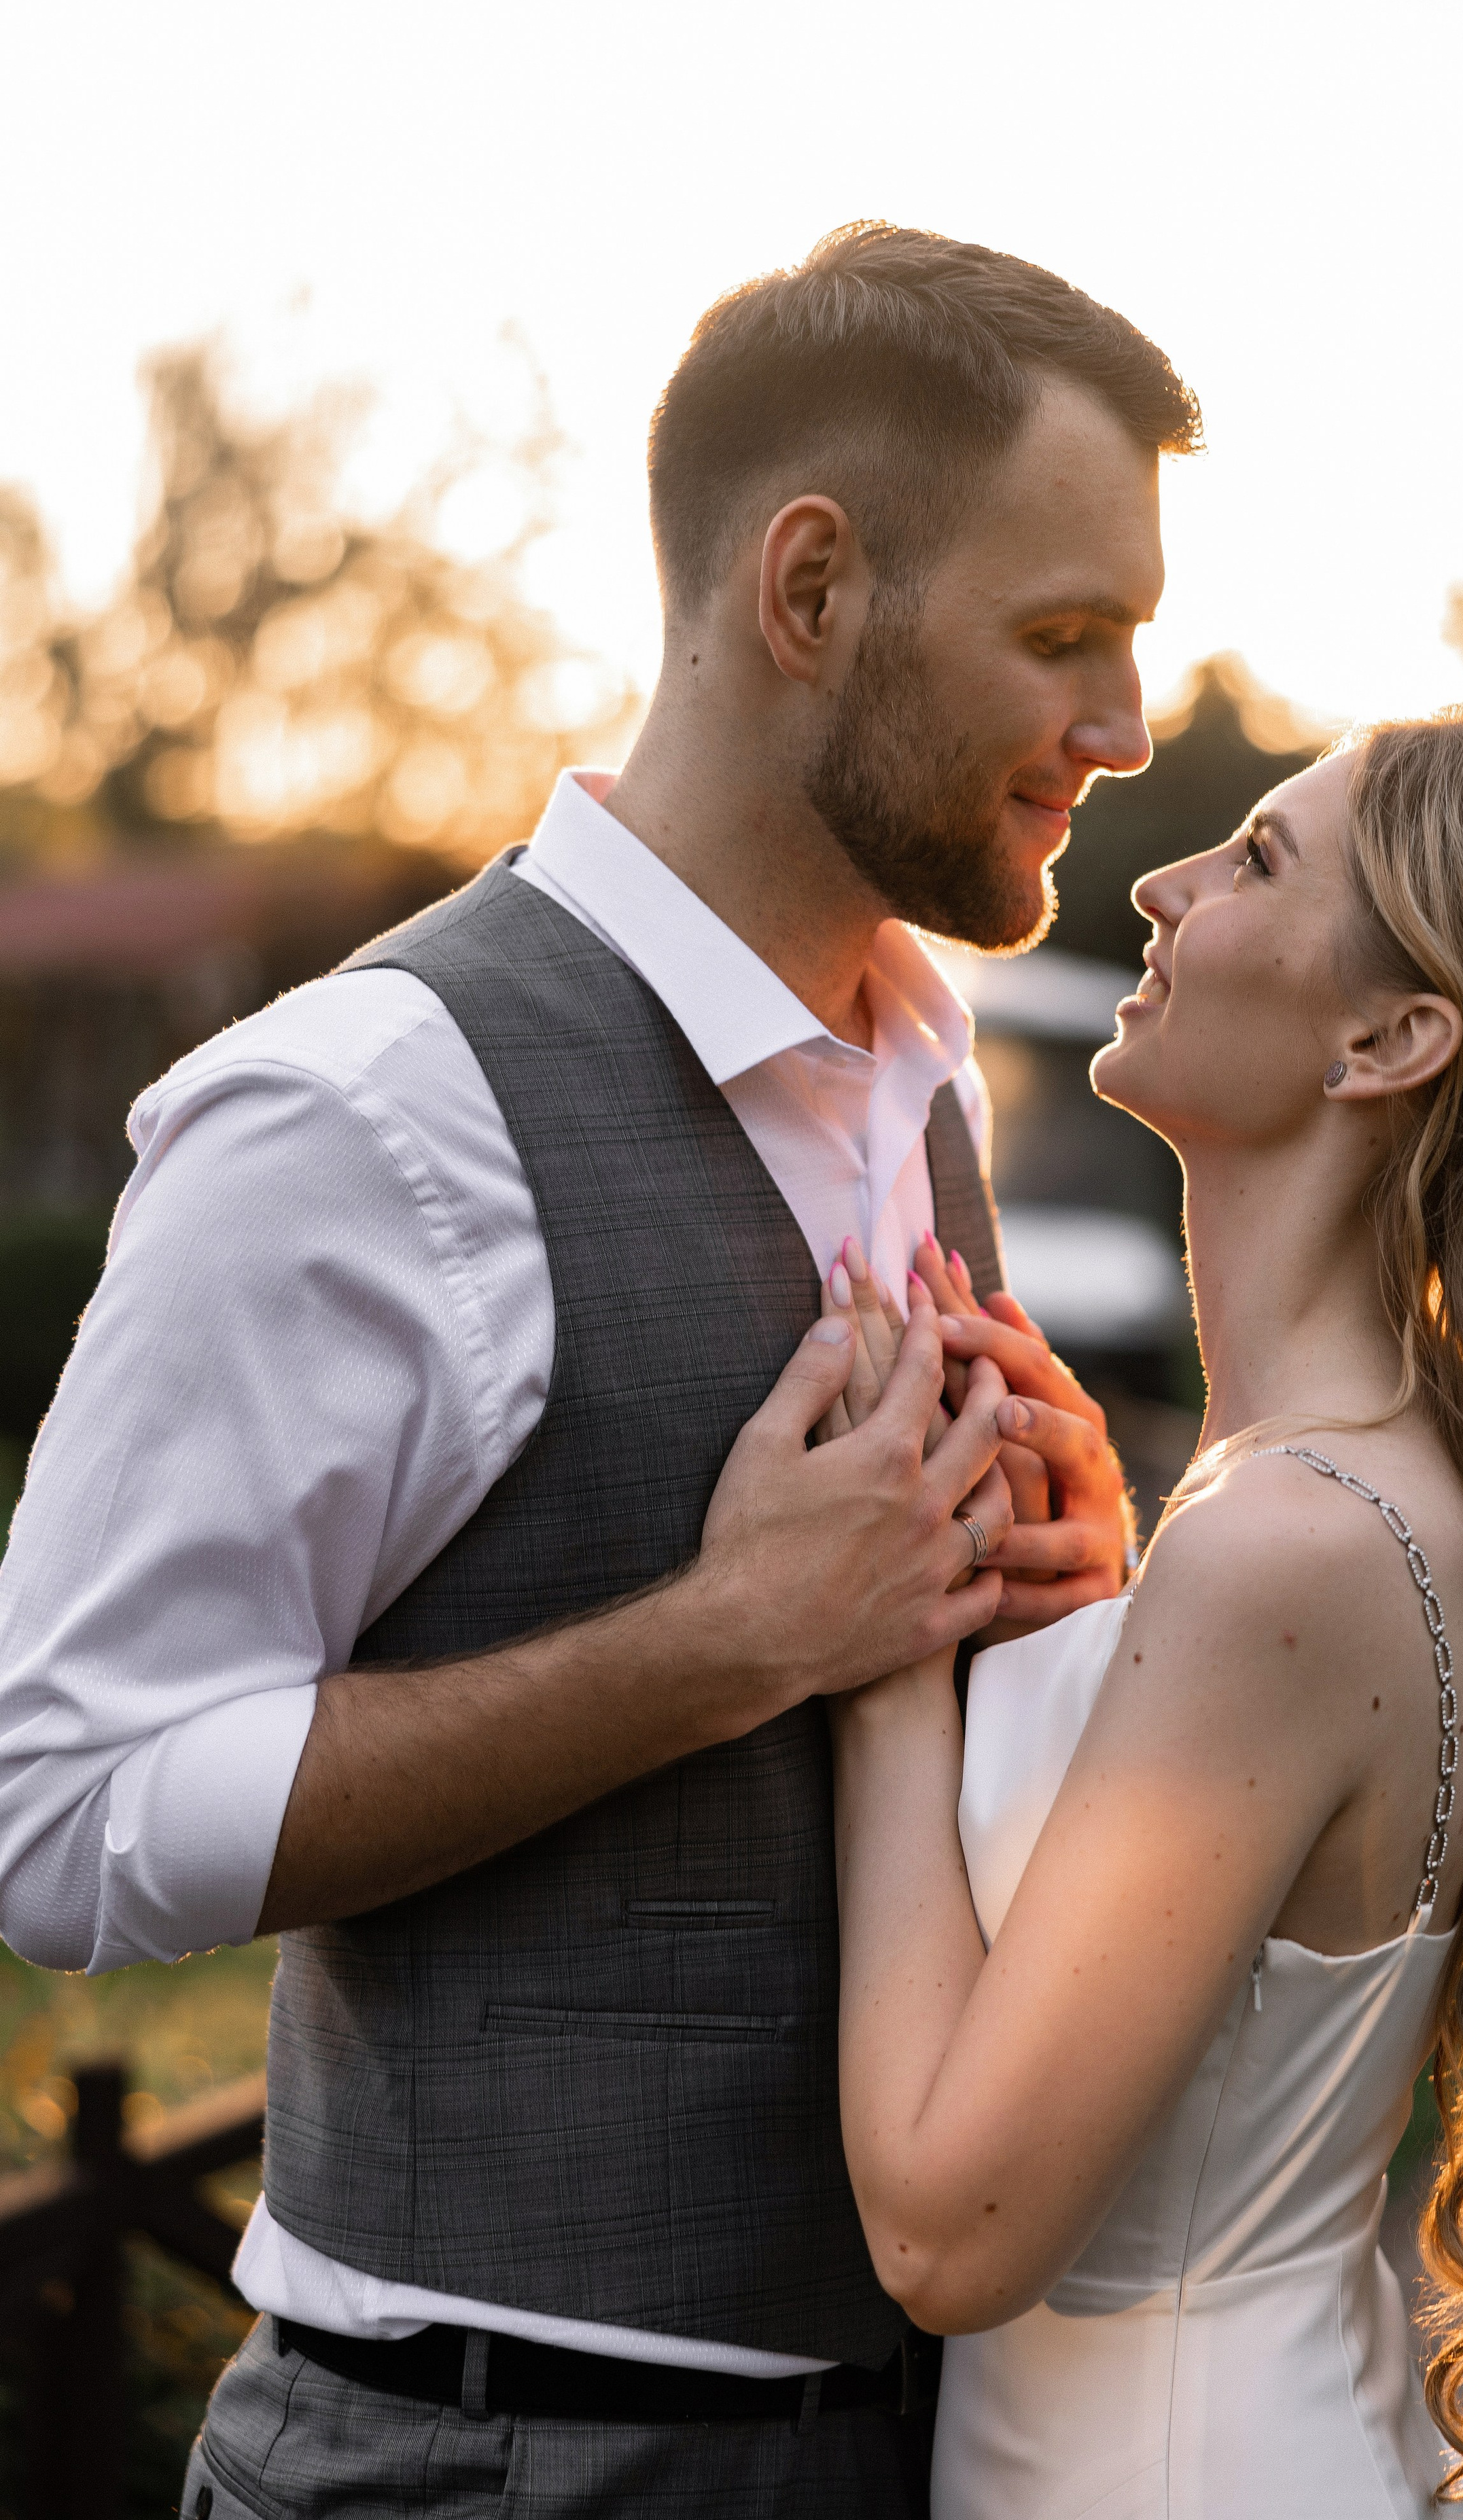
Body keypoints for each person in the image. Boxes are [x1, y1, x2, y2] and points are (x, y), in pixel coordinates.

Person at [0, 226, 1199, 2517]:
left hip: (922, 2452)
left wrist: (1053, 1604)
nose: (1128, 726)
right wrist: (724, 1643)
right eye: (1066, 637)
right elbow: (57, 1815)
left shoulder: (924, 1091)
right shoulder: (361, 1109)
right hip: (489, 2467)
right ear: (814, 589)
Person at [823, 703, 1463, 2515]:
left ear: (1394, 1040)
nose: (1155, 885)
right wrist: (1094, 1619)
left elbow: (946, 2233)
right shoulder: (1376, 1502)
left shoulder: (1293, 1550)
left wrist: (880, 1670)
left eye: (1254, 860)